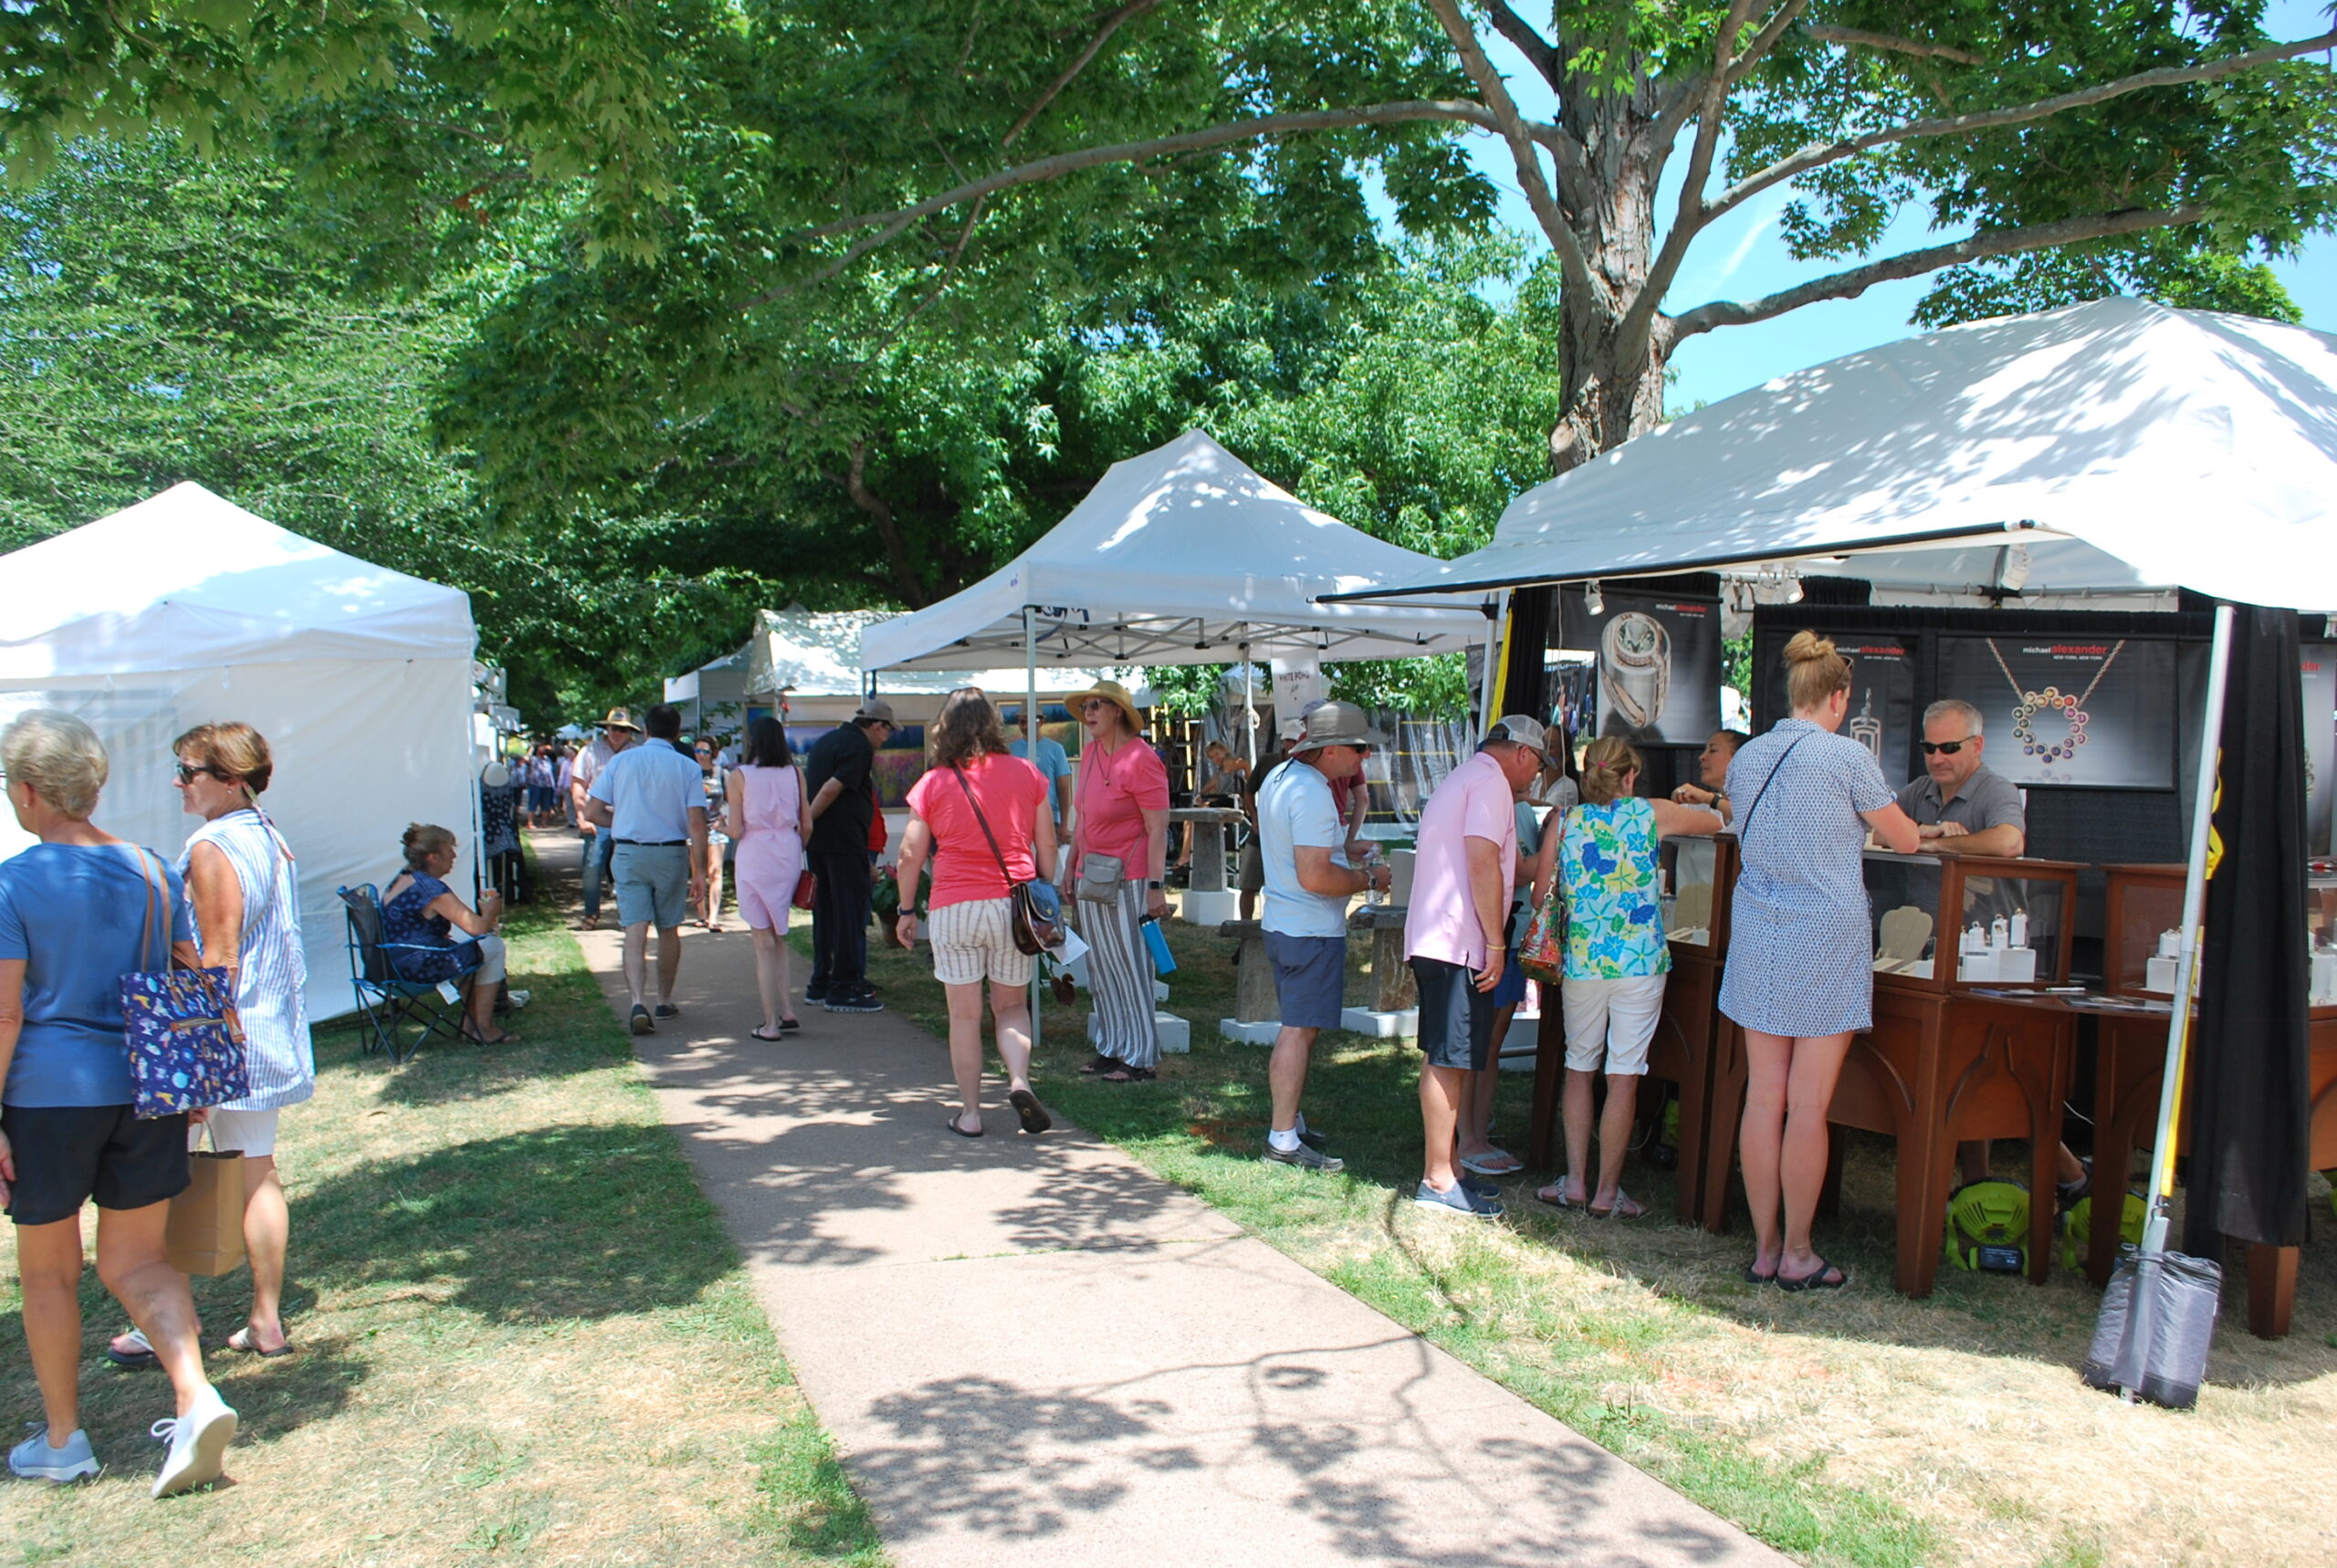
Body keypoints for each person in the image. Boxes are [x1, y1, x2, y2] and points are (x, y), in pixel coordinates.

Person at [0, 710, 240, 1495]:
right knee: (139, 1260)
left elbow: (5, 1014)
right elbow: (187, 974)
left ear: (28, 791)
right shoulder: (150, 869)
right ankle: (195, 1394)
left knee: (49, 1275)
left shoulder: (12, 883)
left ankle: (64, 1440)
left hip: (46, 1095)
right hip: (147, 1086)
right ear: (93, 786)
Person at [1720, 633, 1921, 1290]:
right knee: (1808, 1107)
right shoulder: (1847, 757)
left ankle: (1764, 1249)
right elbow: (1906, 839)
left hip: (1758, 931)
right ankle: (1799, 1253)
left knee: (1763, 1099)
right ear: (1839, 698)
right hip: (1826, 939)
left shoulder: (1748, 757)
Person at [109, 723, 312, 1368]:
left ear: (231, 778)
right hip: (262, 1029)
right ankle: (265, 1321)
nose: (178, 782)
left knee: (173, 1176)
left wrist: (200, 1061)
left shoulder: (213, 845)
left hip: (223, 1036)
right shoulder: (267, 834)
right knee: (256, 1172)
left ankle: (163, 1324)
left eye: (188, 771)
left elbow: (218, 958)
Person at [1538, 737, 1720, 1218]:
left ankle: (1575, 1183)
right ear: (1631, 776)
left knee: (1579, 1067)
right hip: (1640, 962)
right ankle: (1607, 1192)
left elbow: (1540, 897)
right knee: (1624, 1075)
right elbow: (1719, 824)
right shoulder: (1651, 813)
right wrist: (1709, 799)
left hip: (1582, 961)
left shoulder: (1564, 821)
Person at [1404, 716, 1548, 1218]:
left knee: (1450, 1054)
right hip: (1457, 941)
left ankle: (1451, 1169)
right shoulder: (1491, 784)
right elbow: (1483, 860)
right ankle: (1438, 1178)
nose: (1535, 776)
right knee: (1448, 1057)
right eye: (1538, 765)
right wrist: (1495, 942)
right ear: (1523, 753)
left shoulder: (1467, 775)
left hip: (1441, 936)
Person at [895, 689, 1056, 1137]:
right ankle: (1019, 1080)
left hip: (954, 906)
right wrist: (1045, 888)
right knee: (1011, 1006)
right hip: (1012, 906)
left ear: (945, 728)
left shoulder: (934, 782)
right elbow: (1046, 844)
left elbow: (909, 854)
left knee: (964, 1017)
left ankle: (969, 1114)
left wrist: (906, 910)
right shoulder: (1027, 773)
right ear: (993, 725)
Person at [1254, 702, 1392, 1172]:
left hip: (1285, 922)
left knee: (1298, 1028)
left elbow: (1297, 852)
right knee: (1297, 1031)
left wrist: (1345, 850)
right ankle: (1282, 1139)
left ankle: (1288, 1120)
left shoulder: (1280, 777)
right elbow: (1315, 876)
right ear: (1329, 749)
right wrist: (1370, 879)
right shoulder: (1311, 791)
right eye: (1358, 747)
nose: (1364, 756)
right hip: (1309, 929)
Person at [1067, 679, 1171, 1082]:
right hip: (1091, 874)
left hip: (1131, 877)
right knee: (1101, 965)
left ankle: (1141, 1056)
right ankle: (1112, 1046)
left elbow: (1158, 828)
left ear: (1118, 711)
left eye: (1097, 705)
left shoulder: (1142, 760)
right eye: (1086, 706)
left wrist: (1156, 886)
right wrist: (1070, 866)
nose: (1089, 712)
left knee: (1131, 964)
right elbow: (1083, 817)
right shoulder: (1092, 752)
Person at [585, 704, 709, 1035]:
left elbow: (592, 811)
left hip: (628, 852)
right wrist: (700, 871)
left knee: (635, 929)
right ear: (677, 732)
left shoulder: (621, 762)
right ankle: (664, 1000)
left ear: (646, 730)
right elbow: (697, 823)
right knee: (669, 928)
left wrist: (621, 821)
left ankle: (637, 1001)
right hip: (671, 853)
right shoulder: (688, 767)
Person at [381, 825, 517, 1043]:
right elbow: (477, 928)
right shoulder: (430, 889)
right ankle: (482, 1028)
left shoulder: (402, 880)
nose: (454, 855)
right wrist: (490, 912)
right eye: (449, 849)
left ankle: (470, 1026)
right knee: (492, 945)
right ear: (433, 857)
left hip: (388, 966)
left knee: (471, 950)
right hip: (416, 968)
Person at [803, 699, 895, 1014]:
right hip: (844, 843)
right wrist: (807, 822)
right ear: (876, 725)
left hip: (821, 844)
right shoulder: (858, 746)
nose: (886, 739)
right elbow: (832, 788)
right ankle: (844, 987)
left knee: (825, 913)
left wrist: (808, 828)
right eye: (887, 732)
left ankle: (821, 982)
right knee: (849, 915)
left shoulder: (827, 741)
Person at [728, 717, 811, 1040]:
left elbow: (736, 829)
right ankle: (787, 1010)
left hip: (755, 851)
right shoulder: (795, 772)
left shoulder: (740, 775)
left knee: (762, 941)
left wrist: (720, 826)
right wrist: (795, 848)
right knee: (778, 936)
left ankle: (770, 1023)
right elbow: (807, 824)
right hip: (787, 850)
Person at [1894, 699, 2026, 857]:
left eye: (1949, 748)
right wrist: (1921, 831)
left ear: (1977, 746)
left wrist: (1934, 844)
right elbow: (1873, 833)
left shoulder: (1997, 790)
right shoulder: (1919, 789)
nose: (1936, 760)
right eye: (1929, 748)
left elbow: (2010, 843)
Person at [570, 708, 639, 931]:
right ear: (606, 728)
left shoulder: (636, 752)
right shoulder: (589, 751)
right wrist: (582, 816)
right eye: (614, 728)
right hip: (597, 817)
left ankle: (626, 916)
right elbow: (578, 786)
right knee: (592, 867)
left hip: (627, 818)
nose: (618, 733)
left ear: (630, 732)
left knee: (627, 870)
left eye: (623, 729)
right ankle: (591, 913)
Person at [1005, 710, 1075, 882]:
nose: (1026, 726)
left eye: (1031, 721)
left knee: (1051, 869)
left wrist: (1064, 824)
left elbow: (1064, 788)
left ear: (1042, 722)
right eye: (1022, 722)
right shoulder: (1010, 750)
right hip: (1018, 819)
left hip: (1049, 816)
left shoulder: (1055, 749)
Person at [1672, 728, 1747, 825]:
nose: (1702, 757)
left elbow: (1750, 817)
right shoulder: (1697, 806)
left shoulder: (1761, 803)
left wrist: (1710, 799)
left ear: (1739, 758)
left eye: (1713, 750)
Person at [694, 738, 729, 932]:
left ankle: (713, 917)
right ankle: (701, 913)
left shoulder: (722, 774)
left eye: (706, 751)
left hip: (716, 825)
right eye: (698, 750)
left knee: (715, 871)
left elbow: (731, 800)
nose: (701, 755)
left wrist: (724, 819)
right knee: (697, 871)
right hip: (695, 827)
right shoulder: (690, 773)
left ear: (713, 753)